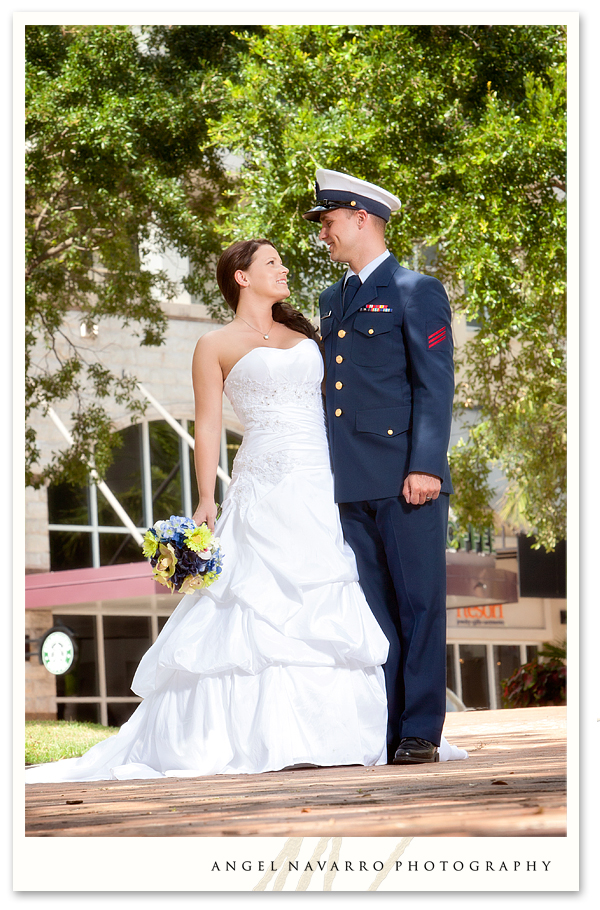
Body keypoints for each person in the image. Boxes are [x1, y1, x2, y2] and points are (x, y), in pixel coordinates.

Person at [25, 239, 465, 784]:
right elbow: (207, 425)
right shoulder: (213, 345)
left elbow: (352, 396)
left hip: (326, 480)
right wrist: (207, 498)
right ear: (240, 277)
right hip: (263, 479)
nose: (284, 269)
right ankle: (254, 738)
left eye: (283, 261)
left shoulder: (311, 334)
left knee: (340, 597)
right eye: (272, 263)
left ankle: (369, 733)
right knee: (251, 603)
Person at [303, 169, 455, 764]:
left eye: (330, 222)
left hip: (405, 479)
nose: (324, 234)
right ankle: (384, 728)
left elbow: (434, 386)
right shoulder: (332, 298)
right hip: (351, 483)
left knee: (419, 605)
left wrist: (427, 467)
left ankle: (420, 730)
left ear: (361, 218)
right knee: (373, 614)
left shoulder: (416, 289)